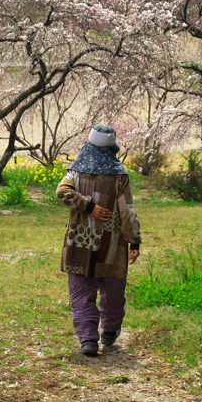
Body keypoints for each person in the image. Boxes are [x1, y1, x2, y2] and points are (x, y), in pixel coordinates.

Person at [56, 125, 141, 357]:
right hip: (111, 246)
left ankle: (88, 339)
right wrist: (134, 240)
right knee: (113, 292)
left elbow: (62, 192)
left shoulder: (75, 172)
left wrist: (87, 206)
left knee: (81, 293)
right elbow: (127, 212)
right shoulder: (120, 175)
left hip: (79, 243)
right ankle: (110, 332)